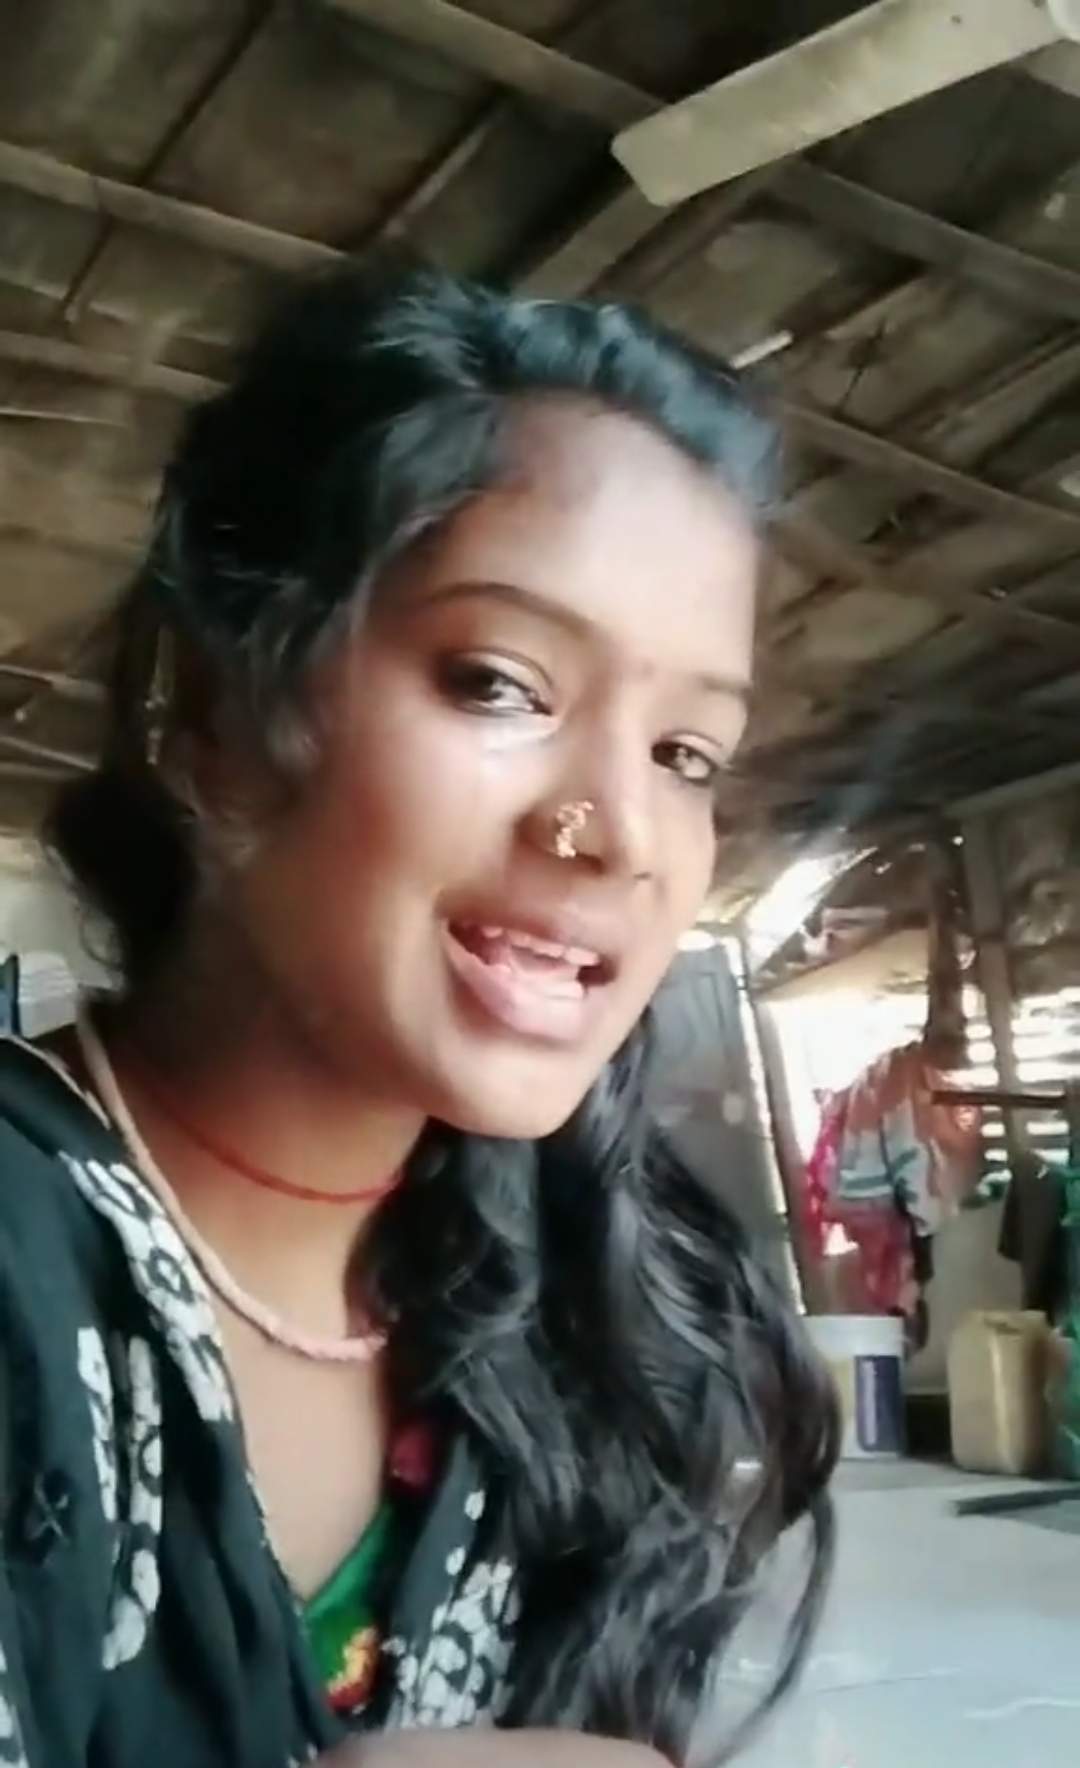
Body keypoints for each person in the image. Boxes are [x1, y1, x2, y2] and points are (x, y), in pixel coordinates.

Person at [0, 267, 838, 1768]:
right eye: (500, 683)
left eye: (687, 754)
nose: (616, 831)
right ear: (219, 711)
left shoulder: (556, 1303)